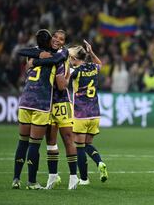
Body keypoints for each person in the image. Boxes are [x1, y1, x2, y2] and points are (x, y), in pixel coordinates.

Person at [12, 29, 65, 189]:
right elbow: (61, 86)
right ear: (49, 41)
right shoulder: (56, 58)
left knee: (22, 142)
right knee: (34, 144)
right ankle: (32, 182)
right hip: (41, 104)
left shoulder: (31, 54)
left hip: (25, 100)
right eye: (54, 38)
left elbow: (22, 52)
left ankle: (16, 179)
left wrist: (34, 62)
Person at [27, 30, 79, 190]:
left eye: (61, 39)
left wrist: (61, 77)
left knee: (68, 138)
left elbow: (63, 85)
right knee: (50, 141)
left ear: (64, 42)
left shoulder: (63, 56)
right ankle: (52, 177)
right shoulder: (46, 53)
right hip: (47, 102)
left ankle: (73, 177)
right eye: (55, 37)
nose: (57, 40)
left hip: (61, 102)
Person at [68, 40, 108, 185]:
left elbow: (63, 77)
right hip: (95, 113)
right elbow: (100, 64)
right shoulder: (93, 67)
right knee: (87, 145)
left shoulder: (74, 71)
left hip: (80, 114)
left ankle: (84, 179)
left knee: (79, 147)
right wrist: (91, 52)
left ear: (74, 58)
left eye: (70, 57)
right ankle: (99, 163)